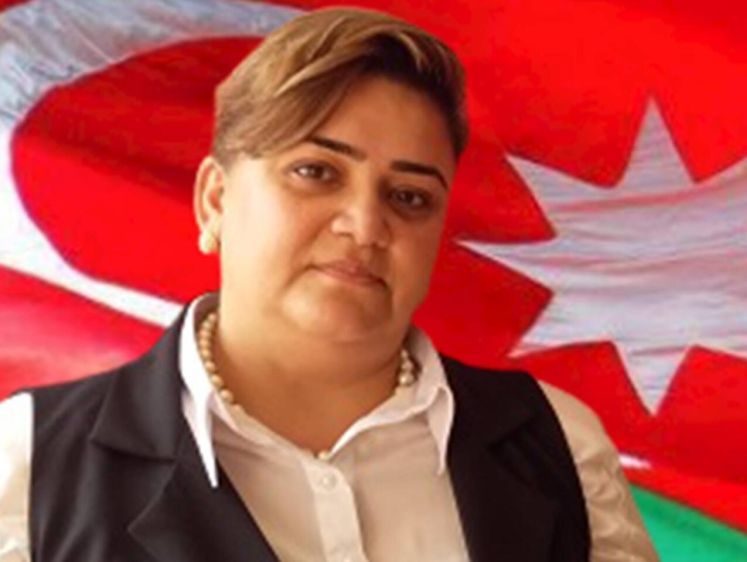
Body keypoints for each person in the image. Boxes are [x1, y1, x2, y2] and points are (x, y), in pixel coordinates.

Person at [0, 7, 659, 562]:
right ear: (215, 200)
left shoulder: (557, 448)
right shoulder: (30, 466)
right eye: (316, 172)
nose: (366, 225)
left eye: (409, 196)